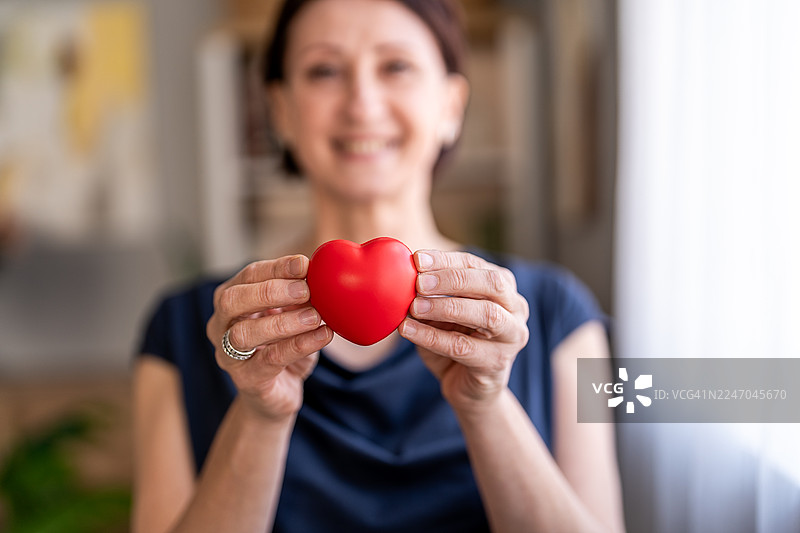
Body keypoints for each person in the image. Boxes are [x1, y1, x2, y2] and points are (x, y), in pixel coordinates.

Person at [132, 0, 626, 531]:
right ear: (280, 110)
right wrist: (259, 414)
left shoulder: (558, 314)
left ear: (451, 105)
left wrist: (486, 406)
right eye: (324, 70)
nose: (362, 103)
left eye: (396, 67)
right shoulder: (188, 326)